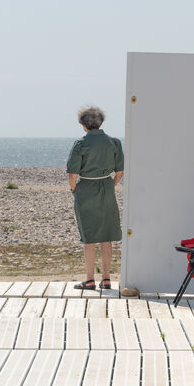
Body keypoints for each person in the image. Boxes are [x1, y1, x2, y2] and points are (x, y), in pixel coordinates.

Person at [66, 106, 124, 290]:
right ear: (101, 122)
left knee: (89, 237)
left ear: (83, 124)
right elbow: (120, 172)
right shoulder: (114, 142)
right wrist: (110, 185)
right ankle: (106, 278)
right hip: (106, 187)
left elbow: (72, 175)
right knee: (107, 236)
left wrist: (75, 190)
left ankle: (90, 279)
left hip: (86, 189)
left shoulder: (80, 144)